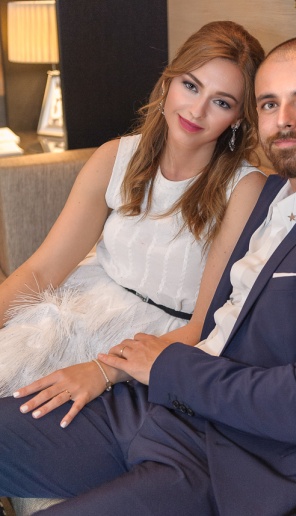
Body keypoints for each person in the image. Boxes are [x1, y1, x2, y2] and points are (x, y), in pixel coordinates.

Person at [1, 36, 296, 516]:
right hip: (156, 406)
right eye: (270, 104)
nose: (285, 120)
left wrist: (162, 368)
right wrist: (132, 374)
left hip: (230, 456)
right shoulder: (272, 193)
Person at [0, 20, 266, 410]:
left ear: (239, 118)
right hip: (74, 312)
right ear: (168, 82)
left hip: (152, 350)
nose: (196, 110)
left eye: (221, 102)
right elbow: (42, 270)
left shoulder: (244, 189)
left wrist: (101, 369)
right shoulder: (115, 156)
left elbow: (204, 324)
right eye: (191, 86)